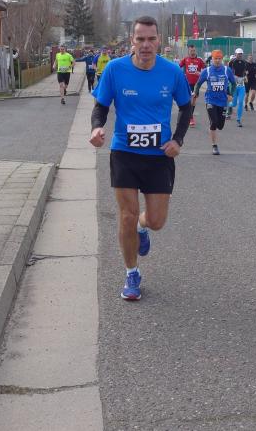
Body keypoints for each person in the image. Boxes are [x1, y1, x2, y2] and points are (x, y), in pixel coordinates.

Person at [89, 16, 192, 301]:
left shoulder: (172, 72)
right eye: (140, 39)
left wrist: (178, 140)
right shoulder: (115, 69)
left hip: (159, 156)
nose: (146, 45)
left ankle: (141, 227)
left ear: (159, 40)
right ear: (132, 41)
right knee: (126, 215)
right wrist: (97, 128)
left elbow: (186, 108)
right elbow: (101, 106)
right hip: (124, 153)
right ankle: (131, 273)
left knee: (156, 221)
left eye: (151, 39)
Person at [191, 49, 235, 155]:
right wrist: (196, 93)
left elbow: (233, 83)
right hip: (210, 100)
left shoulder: (227, 70)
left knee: (220, 126)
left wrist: (231, 94)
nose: (218, 61)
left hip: (223, 101)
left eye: (219, 59)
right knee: (214, 122)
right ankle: (214, 146)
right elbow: (198, 83)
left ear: (222, 59)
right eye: (216, 59)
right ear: (212, 59)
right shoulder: (207, 71)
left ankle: (214, 128)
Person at [179, 44, 206, 127]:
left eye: (194, 50)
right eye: (191, 51)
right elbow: (178, 67)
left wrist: (200, 73)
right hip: (188, 83)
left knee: (193, 101)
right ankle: (190, 118)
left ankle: (189, 116)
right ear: (188, 51)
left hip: (197, 84)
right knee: (190, 100)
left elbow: (206, 70)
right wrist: (181, 75)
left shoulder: (199, 60)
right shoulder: (185, 59)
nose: (193, 52)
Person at [228, 48, 248, 126]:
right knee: (234, 104)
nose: (240, 55)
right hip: (234, 86)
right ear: (235, 54)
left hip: (242, 85)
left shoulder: (244, 62)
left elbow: (244, 72)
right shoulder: (232, 62)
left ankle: (238, 119)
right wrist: (233, 78)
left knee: (240, 102)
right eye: (238, 54)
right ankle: (227, 106)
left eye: (241, 54)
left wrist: (245, 77)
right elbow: (229, 72)